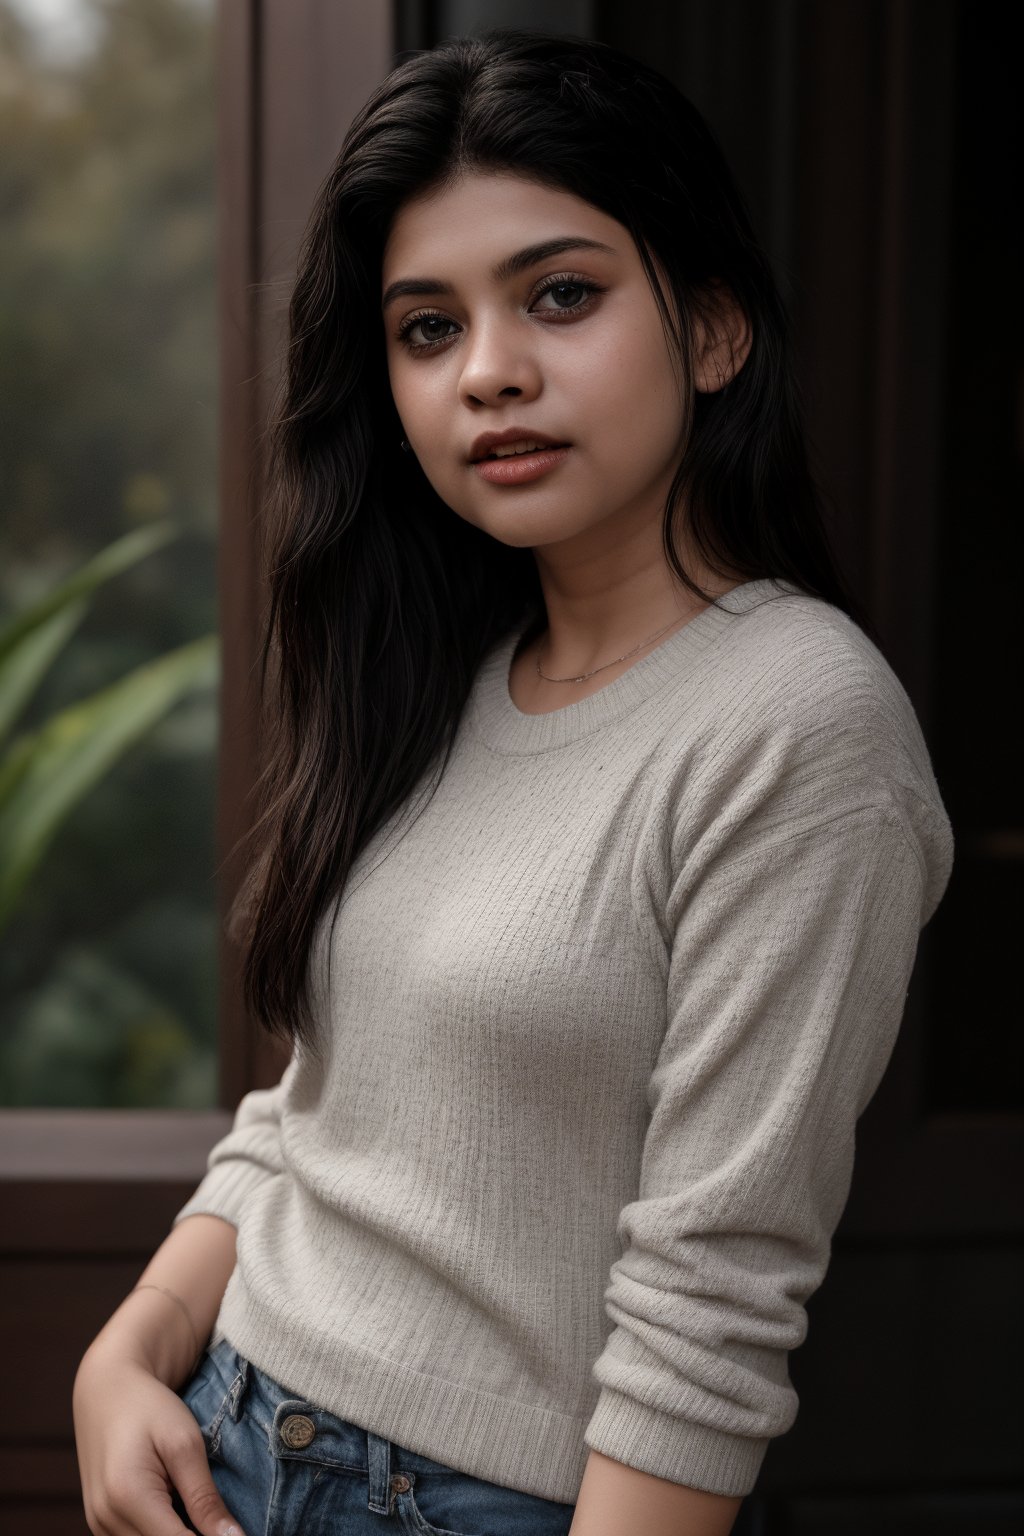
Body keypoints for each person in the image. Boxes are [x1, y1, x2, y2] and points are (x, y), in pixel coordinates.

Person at [72, 25, 954, 1536]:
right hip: (215, 1438)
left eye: (561, 295)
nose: (489, 372)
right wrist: (125, 1353)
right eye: (426, 328)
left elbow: (713, 1298)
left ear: (715, 331)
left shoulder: (803, 726)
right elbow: (320, 1106)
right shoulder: (439, 675)